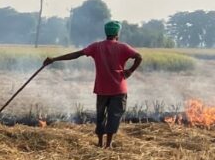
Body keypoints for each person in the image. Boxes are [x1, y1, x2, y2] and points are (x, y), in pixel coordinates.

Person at [44, 20, 143, 148]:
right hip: (119, 88)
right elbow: (139, 57)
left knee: (101, 116)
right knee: (114, 116)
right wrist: (129, 71)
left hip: (101, 89)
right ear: (117, 33)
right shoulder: (123, 47)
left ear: (106, 32)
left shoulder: (96, 47)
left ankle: (100, 142)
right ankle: (109, 144)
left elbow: (77, 54)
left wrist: (54, 59)